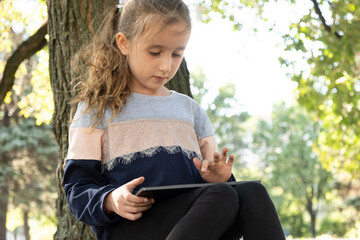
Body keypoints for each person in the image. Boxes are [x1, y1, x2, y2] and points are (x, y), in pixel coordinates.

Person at [63, 0, 286, 240]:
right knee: (221, 195)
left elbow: (218, 188)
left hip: (196, 221)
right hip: (129, 228)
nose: (166, 66)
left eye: (177, 54)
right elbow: (78, 188)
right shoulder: (96, 108)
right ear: (124, 43)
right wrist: (111, 200)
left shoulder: (191, 111)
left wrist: (219, 177)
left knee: (252, 192)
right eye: (155, 52)